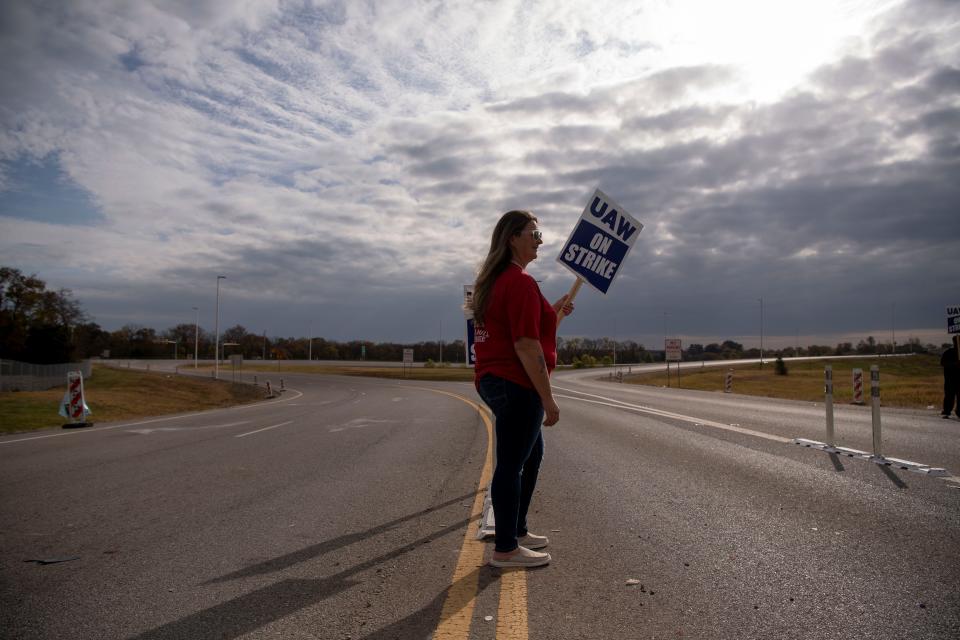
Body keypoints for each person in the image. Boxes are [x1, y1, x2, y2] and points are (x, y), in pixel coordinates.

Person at [471, 210, 574, 568]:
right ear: (512, 237)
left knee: (531, 455)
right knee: (512, 463)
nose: (540, 239)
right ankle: (505, 549)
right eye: (534, 232)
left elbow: (532, 330)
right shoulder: (519, 283)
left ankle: (517, 528)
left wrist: (554, 312)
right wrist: (548, 399)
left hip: (495, 379)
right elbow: (527, 345)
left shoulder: (502, 281)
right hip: (515, 382)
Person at [941, 338, 959, 419]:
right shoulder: (949, 352)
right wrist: (955, 364)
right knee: (949, 396)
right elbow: (943, 363)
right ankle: (947, 411)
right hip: (950, 379)